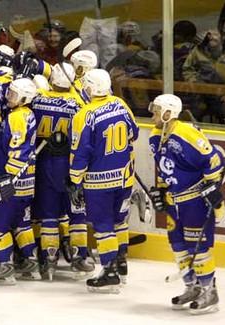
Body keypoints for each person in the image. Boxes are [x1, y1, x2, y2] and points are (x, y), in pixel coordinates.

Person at [147, 94, 225, 314]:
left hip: (195, 201)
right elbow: (163, 167)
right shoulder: (155, 136)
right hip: (175, 202)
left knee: (198, 248)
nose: (153, 115)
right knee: (178, 246)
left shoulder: (186, 133)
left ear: (168, 113)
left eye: (156, 111)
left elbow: (214, 159)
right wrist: (162, 190)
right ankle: (193, 287)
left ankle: (210, 291)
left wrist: (213, 186)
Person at [67, 69, 138, 294]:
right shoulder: (120, 103)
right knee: (120, 221)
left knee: (103, 225)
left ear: (90, 88)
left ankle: (109, 271)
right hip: (125, 176)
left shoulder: (85, 115)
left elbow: (80, 152)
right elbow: (134, 133)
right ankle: (121, 263)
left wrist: (74, 178)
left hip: (99, 181)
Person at [30, 62, 93, 281]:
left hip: (45, 164)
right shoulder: (79, 105)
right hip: (72, 164)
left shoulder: (38, 100)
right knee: (77, 212)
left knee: (48, 214)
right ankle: (79, 256)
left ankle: (49, 258)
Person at [0, 78, 39, 284]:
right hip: (25, 183)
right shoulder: (27, 114)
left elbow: (18, 151)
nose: (9, 97)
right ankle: (31, 263)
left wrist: (7, 179)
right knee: (21, 223)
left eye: (14, 95)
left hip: (8, 181)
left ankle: (5, 265)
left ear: (25, 98)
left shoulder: (17, 118)